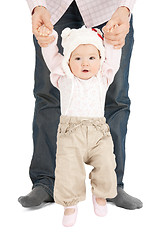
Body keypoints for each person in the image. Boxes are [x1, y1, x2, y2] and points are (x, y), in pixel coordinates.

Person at [18, 0, 143, 210]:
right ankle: (45, 182)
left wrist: (125, 8)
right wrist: (37, 6)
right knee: (48, 95)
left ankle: (111, 185)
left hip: (109, 9)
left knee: (116, 97)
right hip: (55, 8)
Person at [39, 25, 120, 227]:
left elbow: (114, 58)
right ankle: (70, 204)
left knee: (107, 164)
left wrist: (111, 40)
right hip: (70, 134)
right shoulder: (65, 78)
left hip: (99, 133)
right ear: (68, 62)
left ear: (100, 60)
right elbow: (52, 57)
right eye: (78, 58)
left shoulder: (103, 77)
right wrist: (48, 39)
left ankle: (101, 194)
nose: (85, 63)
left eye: (92, 58)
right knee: (68, 171)